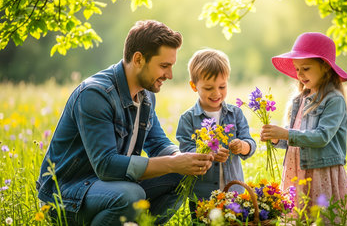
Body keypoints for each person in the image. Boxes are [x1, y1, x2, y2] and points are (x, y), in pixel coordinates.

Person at [36, 20, 214, 226]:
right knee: (130, 194)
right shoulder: (95, 95)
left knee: (182, 178)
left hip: (109, 188)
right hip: (66, 196)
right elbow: (106, 165)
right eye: (164, 66)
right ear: (138, 59)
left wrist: (186, 159)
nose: (170, 75)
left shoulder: (146, 95)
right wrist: (172, 163)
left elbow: (158, 144)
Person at [260, 32, 347, 223]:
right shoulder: (299, 99)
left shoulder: (333, 100)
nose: (300, 74)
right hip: (296, 170)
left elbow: (321, 137)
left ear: (325, 67)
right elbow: (295, 138)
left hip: (320, 171)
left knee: (320, 217)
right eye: (297, 69)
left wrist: (286, 133)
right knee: (298, 218)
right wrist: (277, 137)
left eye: (306, 68)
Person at [176, 48, 256, 219]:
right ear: (193, 86)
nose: (216, 93)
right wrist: (208, 152)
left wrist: (242, 146)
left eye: (222, 86)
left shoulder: (235, 114)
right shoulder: (188, 118)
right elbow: (185, 150)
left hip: (233, 192)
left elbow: (250, 143)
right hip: (201, 194)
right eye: (208, 88)